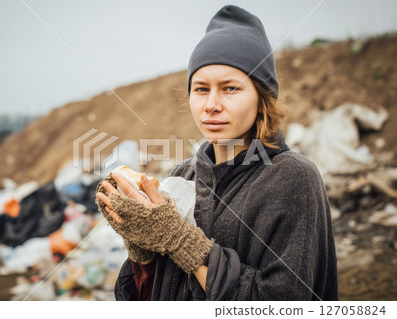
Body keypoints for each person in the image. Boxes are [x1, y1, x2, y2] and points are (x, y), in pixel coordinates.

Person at [96, 5, 338, 301]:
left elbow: (280, 303)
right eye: (200, 89)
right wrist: (142, 249)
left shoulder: (293, 178)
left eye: (230, 88)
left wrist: (177, 237)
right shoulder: (183, 175)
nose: (211, 104)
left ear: (262, 99)